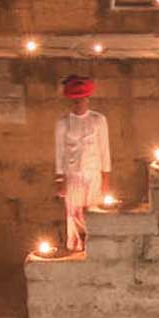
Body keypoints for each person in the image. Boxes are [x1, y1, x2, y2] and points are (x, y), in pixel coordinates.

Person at [53, 75, 111, 252]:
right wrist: (60, 180)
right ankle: (77, 247)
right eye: (75, 100)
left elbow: (104, 150)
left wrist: (106, 180)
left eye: (81, 99)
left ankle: (96, 247)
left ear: (88, 99)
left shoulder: (98, 120)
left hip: (93, 173)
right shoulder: (63, 123)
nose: (78, 103)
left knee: (93, 210)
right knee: (74, 212)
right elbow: (59, 153)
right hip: (73, 175)